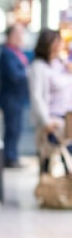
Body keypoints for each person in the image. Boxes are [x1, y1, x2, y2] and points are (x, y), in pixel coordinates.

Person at [28, 29, 72, 168]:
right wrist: (46, 121)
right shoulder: (38, 67)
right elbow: (36, 96)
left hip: (68, 119)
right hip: (53, 121)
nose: (60, 45)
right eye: (57, 42)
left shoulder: (61, 64)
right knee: (50, 163)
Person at [0, 24, 30, 168]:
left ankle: (12, 155)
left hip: (18, 96)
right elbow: (14, 75)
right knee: (12, 128)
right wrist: (28, 74)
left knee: (16, 127)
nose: (20, 37)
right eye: (17, 34)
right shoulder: (6, 53)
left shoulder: (17, 52)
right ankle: (9, 157)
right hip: (10, 96)